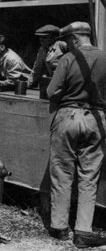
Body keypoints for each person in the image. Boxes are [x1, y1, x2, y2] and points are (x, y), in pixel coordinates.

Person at [47, 21, 106, 248]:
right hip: (97, 119)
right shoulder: (104, 57)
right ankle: (83, 231)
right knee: (89, 177)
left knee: (62, 173)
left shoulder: (68, 58)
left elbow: (52, 91)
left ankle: (59, 227)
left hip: (68, 117)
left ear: (73, 39)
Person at [29, 24, 66, 89]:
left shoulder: (62, 46)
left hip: (66, 83)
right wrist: (30, 83)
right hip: (54, 84)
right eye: (40, 37)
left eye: (45, 37)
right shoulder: (42, 49)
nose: (41, 40)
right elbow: (37, 68)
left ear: (53, 38)